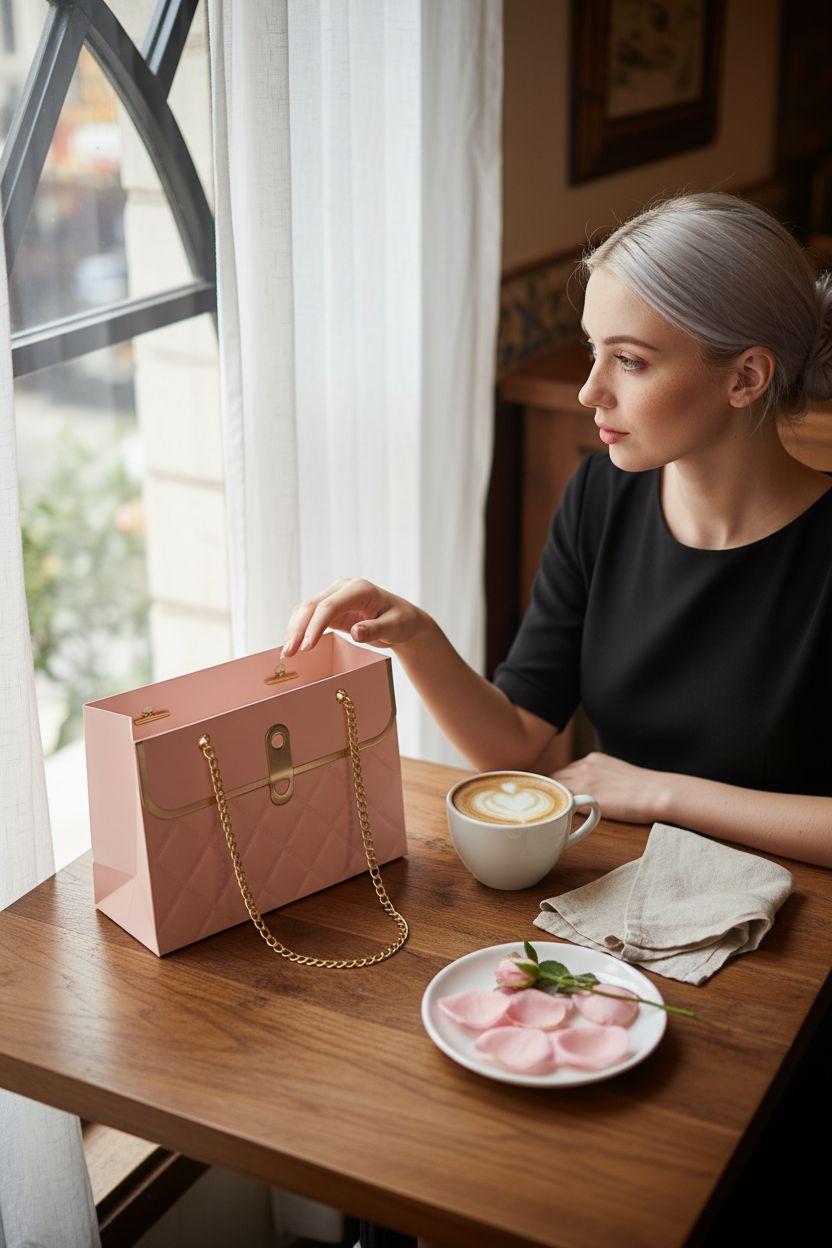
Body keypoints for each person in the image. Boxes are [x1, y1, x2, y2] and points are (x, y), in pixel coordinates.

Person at [282, 192, 832, 869]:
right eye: (593, 351)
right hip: (621, 891)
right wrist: (414, 635)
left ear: (745, 376)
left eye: (629, 360)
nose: (589, 390)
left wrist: (664, 794)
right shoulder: (600, 497)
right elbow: (514, 743)